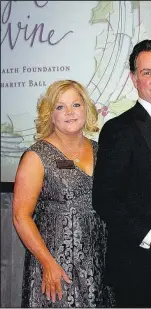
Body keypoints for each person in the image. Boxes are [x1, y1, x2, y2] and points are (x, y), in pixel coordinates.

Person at [92, 39, 151, 307]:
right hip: (138, 266)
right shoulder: (118, 129)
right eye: (147, 73)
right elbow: (105, 200)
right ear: (134, 79)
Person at [13, 79, 113, 307]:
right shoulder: (36, 156)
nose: (69, 112)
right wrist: (47, 263)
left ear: (86, 109)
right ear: (51, 114)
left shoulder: (101, 150)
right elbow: (21, 216)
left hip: (98, 261)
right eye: (60, 107)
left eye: (76, 105)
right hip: (57, 264)